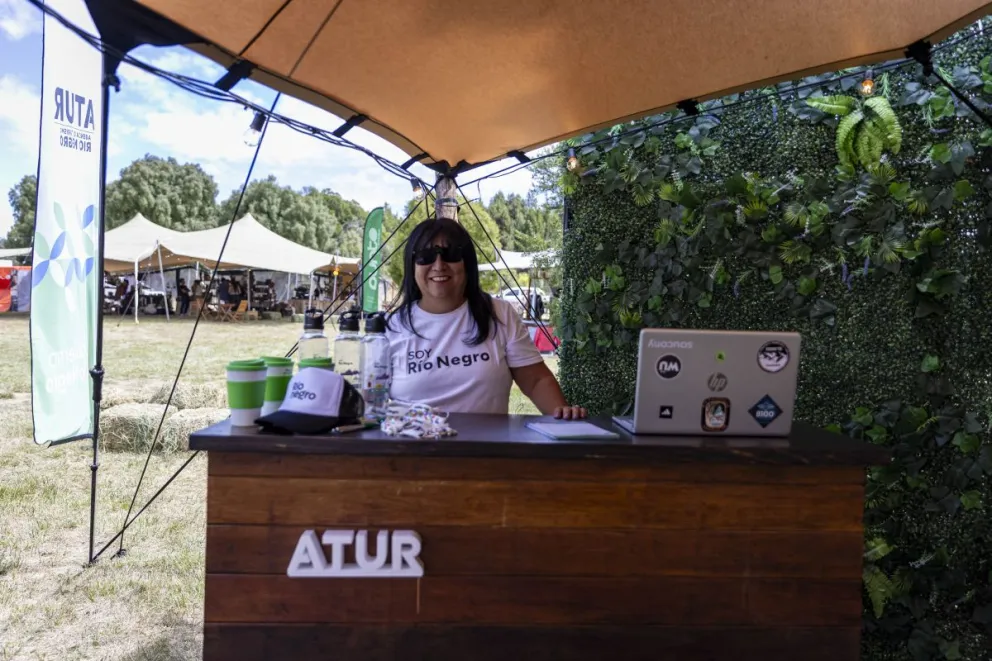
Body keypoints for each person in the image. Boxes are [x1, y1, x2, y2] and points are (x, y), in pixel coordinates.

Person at [385, 217, 586, 419]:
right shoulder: (392, 328)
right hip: (414, 447)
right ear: (412, 265)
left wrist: (563, 417)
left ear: (467, 263)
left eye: (451, 254)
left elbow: (535, 381)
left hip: (487, 448)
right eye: (425, 256)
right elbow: (372, 401)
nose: (439, 264)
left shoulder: (500, 314)